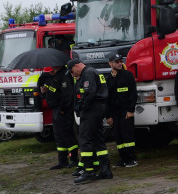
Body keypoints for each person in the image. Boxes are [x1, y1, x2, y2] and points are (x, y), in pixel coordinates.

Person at [70, 55, 112, 183]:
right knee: (98, 139)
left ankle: (89, 171)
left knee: (85, 139)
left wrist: (83, 108)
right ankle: (105, 170)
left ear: (77, 66)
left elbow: (89, 93)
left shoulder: (87, 73)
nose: (72, 75)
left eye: (72, 71)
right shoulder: (93, 72)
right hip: (98, 109)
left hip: (92, 110)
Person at [40, 60, 78, 170]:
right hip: (55, 110)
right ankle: (62, 160)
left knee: (67, 134)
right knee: (58, 135)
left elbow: (67, 95)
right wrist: (44, 92)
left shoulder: (65, 75)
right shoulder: (52, 76)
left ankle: (74, 159)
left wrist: (62, 108)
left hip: (63, 110)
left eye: (52, 70)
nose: (50, 72)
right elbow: (52, 92)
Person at [105, 53, 138, 167]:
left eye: (120, 61)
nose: (119, 63)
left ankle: (131, 159)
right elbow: (106, 99)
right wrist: (108, 116)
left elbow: (133, 94)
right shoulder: (107, 79)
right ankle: (123, 159)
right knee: (118, 137)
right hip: (114, 113)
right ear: (110, 63)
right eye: (117, 62)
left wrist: (130, 110)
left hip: (125, 112)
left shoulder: (127, 75)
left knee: (127, 136)